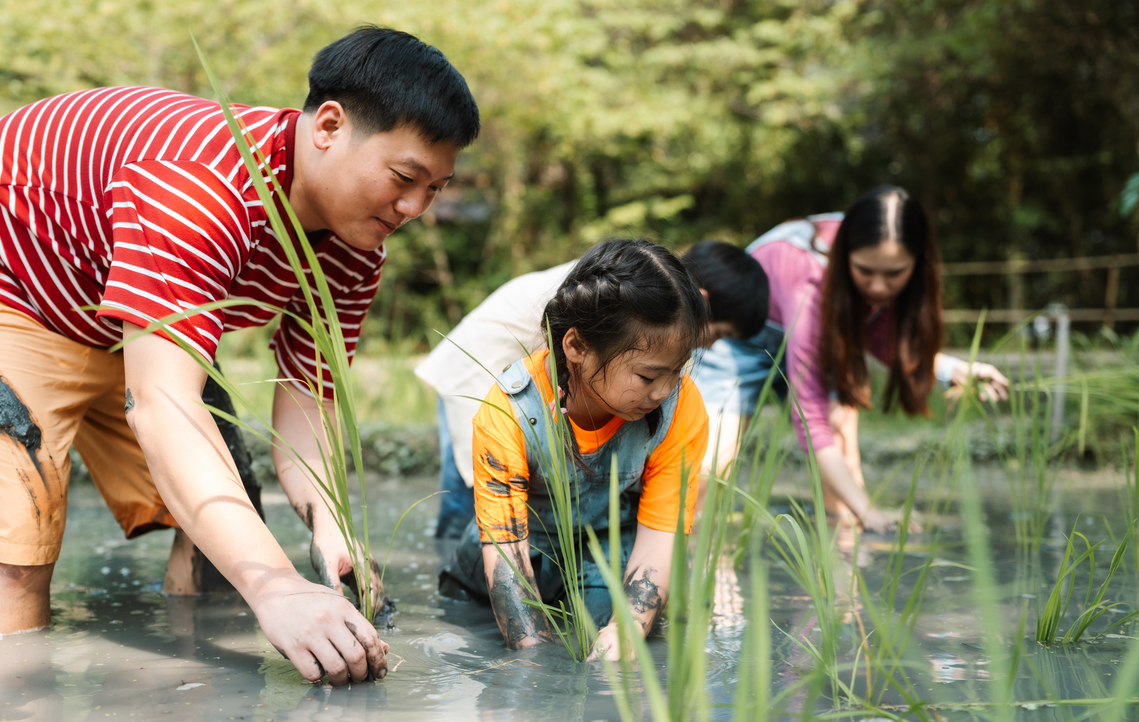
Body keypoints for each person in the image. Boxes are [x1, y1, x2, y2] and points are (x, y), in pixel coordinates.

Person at [0, 26, 480, 683]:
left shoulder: (354, 248)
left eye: (436, 189)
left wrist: (330, 528)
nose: (415, 208)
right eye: (405, 177)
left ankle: (188, 717)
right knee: (16, 547)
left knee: (220, 523)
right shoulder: (201, 185)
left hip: (114, 316)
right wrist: (277, 588)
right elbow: (162, 407)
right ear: (330, 126)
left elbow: (308, 408)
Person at [439, 238, 713, 660]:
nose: (664, 391)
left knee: (607, 636)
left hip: (607, 550)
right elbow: (507, 558)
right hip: (518, 551)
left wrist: (628, 628)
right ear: (577, 347)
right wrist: (534, 663)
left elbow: (661, 537)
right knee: (488, 635)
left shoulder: (681, 408)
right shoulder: (509, 411)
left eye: (676, 371)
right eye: (647, 376)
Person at [694, 186, 1009, 530]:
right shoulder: (809, 278)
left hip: (815, 334)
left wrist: (952, 368)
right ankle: (704, 565)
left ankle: (845, 561)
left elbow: (882, 339)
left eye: (893, 275)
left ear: (918, 263)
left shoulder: (880, 263)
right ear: (845, 258)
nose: (877, 287)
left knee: (842, 478)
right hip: (736, 333)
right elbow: (808, 417)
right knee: (709, 474)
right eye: (865, 272)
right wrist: (871, 513)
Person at [416, 241, 768, 539]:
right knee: (471, 504)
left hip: (524, 380)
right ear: (701, 303)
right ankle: (456, 589)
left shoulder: (645, 296)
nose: (710, 344)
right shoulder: (617, 297)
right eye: (718, 333)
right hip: (480, 371)